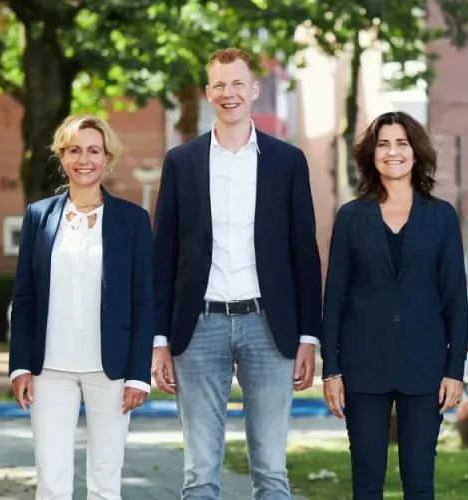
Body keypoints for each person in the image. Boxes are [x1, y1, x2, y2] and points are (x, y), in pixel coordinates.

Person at [150, 47, 321, 500]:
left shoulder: (287, 161)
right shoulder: (181, 162)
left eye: (238, 83)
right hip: (198, 326)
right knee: (200, 473)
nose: (229, 93)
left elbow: (304, 252)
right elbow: (163, 257)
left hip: (271, 327)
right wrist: (159, 341)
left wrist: (309, 336)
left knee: (271, 470)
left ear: (254, 90)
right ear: (209, 93)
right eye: (220, 85)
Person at [320, 111, 468, 499]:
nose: (393, 152)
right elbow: (334, 297)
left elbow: (455, 297)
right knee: (367, 483)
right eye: (383, 144)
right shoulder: (352, 217)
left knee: (419, 483)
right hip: (363, 367)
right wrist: (331, 370)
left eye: (402, 143)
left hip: (425, 369)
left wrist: (455, 370)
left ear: (416, 153)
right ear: (372, 155)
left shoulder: (441, 216)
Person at [7, 114, 156, 500]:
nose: (84, 159)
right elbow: (24, 297)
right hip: (49, 370)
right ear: (62, 157)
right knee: (52, 483)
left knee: (105, 483)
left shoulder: (133, 220)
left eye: (94, 150)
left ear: (107, 158)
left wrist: (139, 375)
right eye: (74, 150)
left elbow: (144, 300)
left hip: (111, 371)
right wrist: (20, 365)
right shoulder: (39, 217)